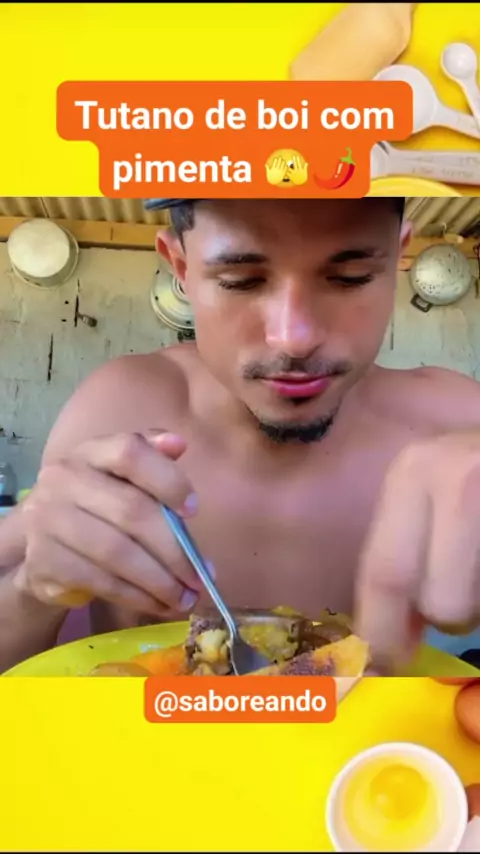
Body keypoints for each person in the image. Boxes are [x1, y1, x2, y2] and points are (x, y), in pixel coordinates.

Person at [1, 197, 479, 675]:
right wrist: (31, 591)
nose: (294, 337)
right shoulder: (117, 408)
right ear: (181, 268)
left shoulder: (457, 422)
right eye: (241, 280)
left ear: (397, 258)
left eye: (350, 276)